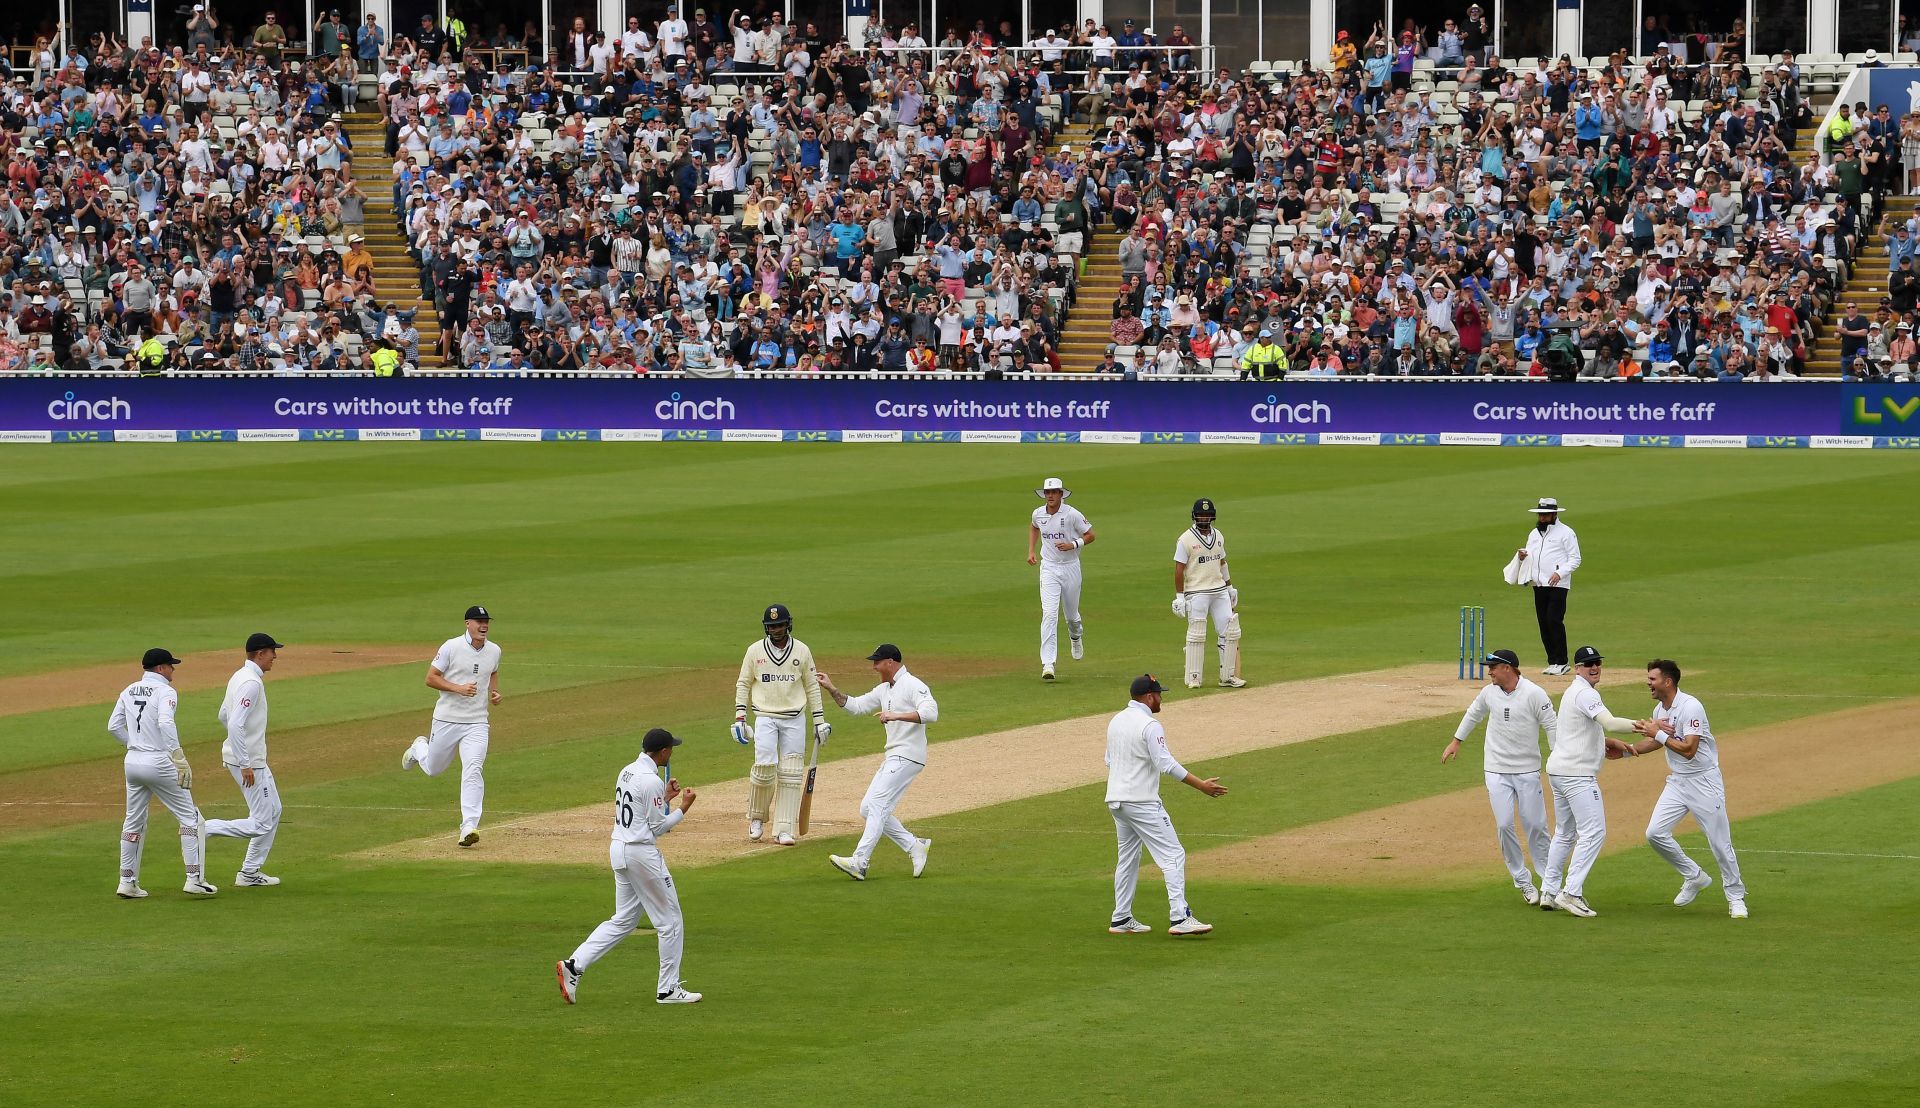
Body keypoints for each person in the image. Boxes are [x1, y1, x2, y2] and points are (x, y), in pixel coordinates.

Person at [556, 728, 703, 1005]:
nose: (672, 752)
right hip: (641, 855)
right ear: (662, 752)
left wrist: (665, 799)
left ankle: (574, 965)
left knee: (624, 920)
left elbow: (640, 810)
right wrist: (684, 807)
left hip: (619, 850)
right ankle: (668, 990)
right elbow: (658, 827)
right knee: (670, 921)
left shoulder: (627, 771)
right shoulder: (650, 780)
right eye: (670, 748)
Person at [1622, 659, 1749, 919]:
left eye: (1652, 679)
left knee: (1719, 844)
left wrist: (1657, 734)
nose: (1648, 683)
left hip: (1704, 781)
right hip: (1678, 782)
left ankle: (1736, 897)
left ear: (1668, 682)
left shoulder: (1691, 707)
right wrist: (1628, 751)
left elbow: (1689, 750)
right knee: (1655, 833)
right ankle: (1694, 876)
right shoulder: (1659, 710)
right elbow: (1658, 744)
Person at [1104, 674, 1228, 936]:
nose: (1161, 699)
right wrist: (1201, 786)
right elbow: (1166, 764)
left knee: (1128, 857)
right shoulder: (1150, 725)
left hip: (1116, 800)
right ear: (1149, 697)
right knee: (1173, 854)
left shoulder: (1116, 721)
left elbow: (1109, 760)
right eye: (1159, 695)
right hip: (1141, 802)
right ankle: (1180, 917)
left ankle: (1121, 918)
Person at [1442, 647, 1557, 906]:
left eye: (1493, 667)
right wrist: (1456, 741)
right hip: (1495, 770)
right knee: (1504, 825)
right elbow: (1474, 713)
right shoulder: (1489, 693)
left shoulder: (1534, 693)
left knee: (1536, 826)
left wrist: (1558, 757)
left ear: (1508, 668)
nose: (1489, 672)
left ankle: (1550, 885)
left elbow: (1551, 725)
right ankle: (1523, 882)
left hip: (1527, 770)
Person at [1538, 646, 1642, 917]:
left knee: (1565, 832)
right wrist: (1646, 726)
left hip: (1559, 772)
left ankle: (1548, 891)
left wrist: (1606, 744)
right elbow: (1610, 722)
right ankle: (1571, 893)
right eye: (1587, 664)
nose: (1594, 667)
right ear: (1577, 668)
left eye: (1596, 663)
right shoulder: (1585, 693)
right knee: (1594, 832)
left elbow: (1577, 732)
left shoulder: (1574, 692)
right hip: (1576, 776)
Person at [818, 644, 936, 880]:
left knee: (878, 804)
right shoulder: (885, 688)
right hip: (895, 756)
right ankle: (914, 846)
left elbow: (931, 713)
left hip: (909, 754)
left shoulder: (913, 685)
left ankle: (860, 862)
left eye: (877, 662)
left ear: (890, 662)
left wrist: (895, 715)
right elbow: (857, 706)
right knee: (867, 808)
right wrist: (831, 688)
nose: (874, 667)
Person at [108, 648, 216, 898]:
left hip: (132, 762)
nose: (173, 670)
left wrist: (133, 744)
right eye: (170, 666)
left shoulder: (128, 689)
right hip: (158, 760)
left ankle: (126, 882)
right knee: (191, 819)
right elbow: (165, 722)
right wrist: (178, 757)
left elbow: (113, 726)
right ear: (159, 668)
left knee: (133, 821)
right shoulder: (166, 691)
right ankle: (194, 878)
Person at [400, 605, 503, 846]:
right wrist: (458, 688)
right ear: (467, 623)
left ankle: (469, 825)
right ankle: (418, 748)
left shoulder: (495, 650)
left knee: (473, 767)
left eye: (486, 621)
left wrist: (495, 692)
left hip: (477, 722)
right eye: (478, 621)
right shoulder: (451, 647)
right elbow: (430, 678)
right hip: (447, 719)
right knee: (434, 769)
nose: (483, 625)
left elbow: (494, 671)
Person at [731, 603, 830, 846]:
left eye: (780, 625)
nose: (776, 630)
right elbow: (743, 683)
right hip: (764, 716)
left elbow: (811, 686)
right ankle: (756, 818)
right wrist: (740, 717)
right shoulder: (755, 651)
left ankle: (784, 828)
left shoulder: (802, 651)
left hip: (795, 718)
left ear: (788, 625)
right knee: (764, 768)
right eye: (771, 626)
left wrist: (820, 720)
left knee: (792, 773)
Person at [204, 633, 287, 887]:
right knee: (262, 822)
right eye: (273, 651)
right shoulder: (251, 682)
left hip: (250, 758)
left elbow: (223, 715)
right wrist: (245, 762)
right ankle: (205, 828)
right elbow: (235, 722)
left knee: (274, 811)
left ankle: (249, 873)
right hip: (249, 762)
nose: (275, 656)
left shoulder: (239, 676)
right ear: (260, 653)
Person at [1027, 476, 1095, 681]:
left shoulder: (1072, 514)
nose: (1050, 496)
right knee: (1049, 614)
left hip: (1070, 567)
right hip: (1048, 567)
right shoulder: (1038, 514)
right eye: (1047, 492)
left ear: (1061, 494)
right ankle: (1048, 663)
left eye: (1054, 492)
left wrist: (1073, 545)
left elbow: (1091, 535)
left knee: (1072, 616)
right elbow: (1034, 527)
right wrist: (1031, 550)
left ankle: (1076, 637)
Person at [1172, 498, 1243, 689]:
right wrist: (1179, 596)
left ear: (1213, 516)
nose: (1204, 517)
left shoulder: (1218, 535)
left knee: (1229, 632)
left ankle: (1227, 676)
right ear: (1195, 516)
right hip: (1196, 591)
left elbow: (1222, 562)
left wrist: (1229, 587)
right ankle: (1194, 677)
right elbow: (1179, 569)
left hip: (1219, 590)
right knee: (1197, 634)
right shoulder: (1185, 539)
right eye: (1201, 514)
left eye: (1208, 514)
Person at [1515, 496, 1580, 675]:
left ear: (1554, 514)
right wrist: (1523, 557)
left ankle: (1563, 661)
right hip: (1539, 583)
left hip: (1558, 584)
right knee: (1543, 622)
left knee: (1554, 620)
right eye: (1541, 514)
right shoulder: (1534, 534)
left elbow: (1575, 558)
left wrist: (1560, 573)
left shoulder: (1566, 533)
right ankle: (1553, 661)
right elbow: (1532, 555)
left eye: (1546, 515)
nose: (1542, 518)